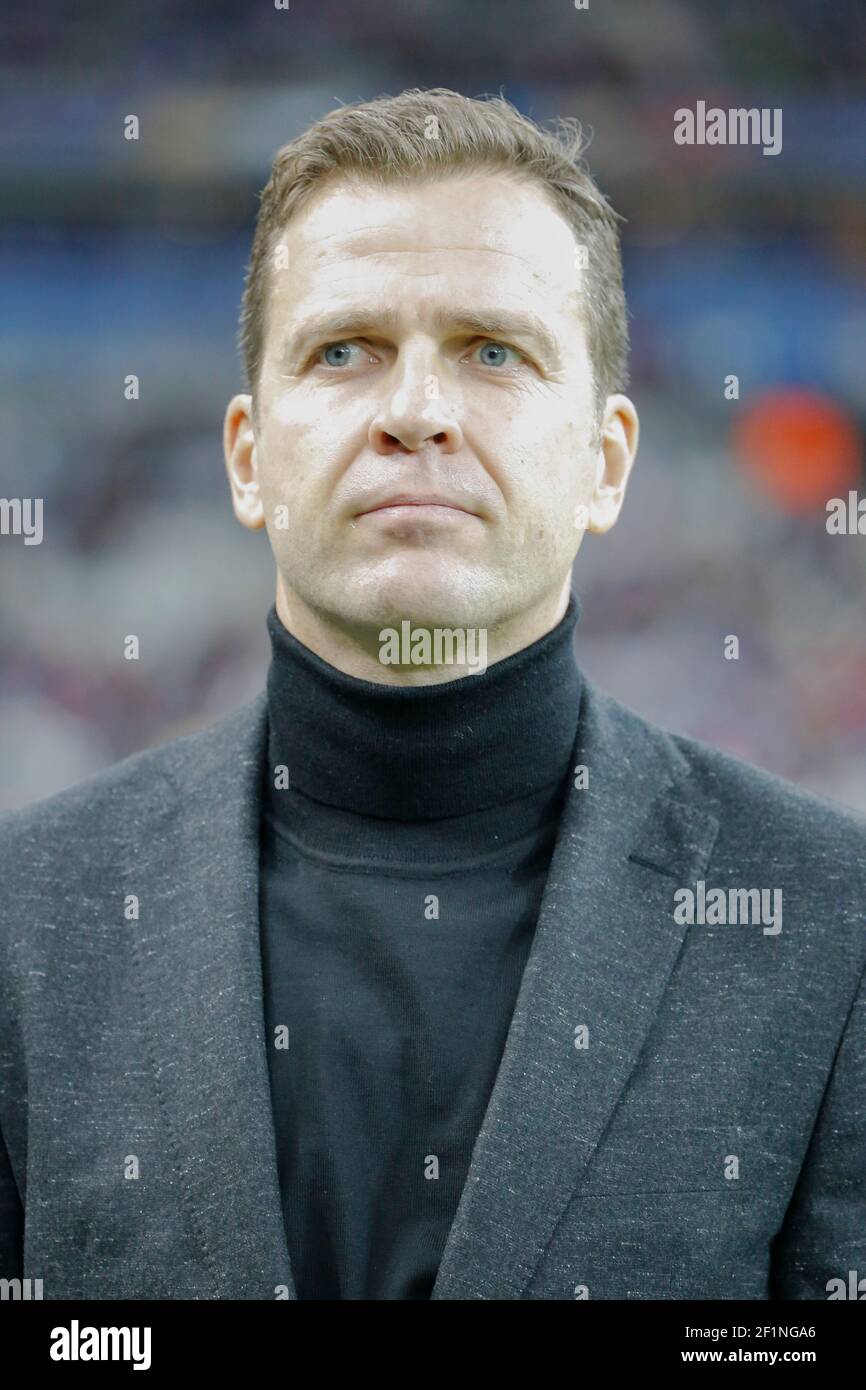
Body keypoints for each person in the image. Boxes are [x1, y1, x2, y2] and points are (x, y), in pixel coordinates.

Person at [1, 87, 864, 1302]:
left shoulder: (828, 921)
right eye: (343, 349)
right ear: (247, 457)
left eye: (492, 351)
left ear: (603, 463)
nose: (414, 413)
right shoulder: (25, 923)